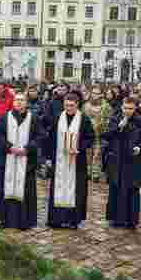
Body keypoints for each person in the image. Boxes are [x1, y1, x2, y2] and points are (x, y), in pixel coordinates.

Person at [0, 93, 44, 230]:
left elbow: (40, 136)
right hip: (8, 159)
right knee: (5, 188)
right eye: (16, 100)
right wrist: (9, 147)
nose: (19, 102)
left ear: (26, 103)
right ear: (13, 102)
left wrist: (27, 148)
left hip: (27, 161)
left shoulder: (34, 118)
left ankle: (24, 221)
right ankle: (5, 220)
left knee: (26, 189)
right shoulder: (5, 117)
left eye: (22, 100)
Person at [46, 93, 95, 229]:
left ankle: (73, 220)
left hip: (77, 161)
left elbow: (90, 137)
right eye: (66, 105)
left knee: (76, 190)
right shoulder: (57, 117)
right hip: (59, 159)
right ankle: (56, 219)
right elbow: (50, 137)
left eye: (71, 105)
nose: (69, 108)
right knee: (58, 187)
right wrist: (49, 157)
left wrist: (79, 148)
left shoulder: (83, 119)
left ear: (77, 105)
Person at [103, 98, 141, 229]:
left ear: (135, 108)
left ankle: (131, 220)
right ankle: (116, 219)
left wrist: (140, 148)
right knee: (116, 188)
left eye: (130, 108)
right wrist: (118, 126)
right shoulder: (115, 118)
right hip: (117, 160)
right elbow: (107, 135)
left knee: (132, 189)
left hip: (133, 161)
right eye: (125, 108)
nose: (127, 111)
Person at [83, 85, 111, 182]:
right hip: (87, 134)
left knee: (97, 154)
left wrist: (104, 128)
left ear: (101, 95)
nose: (95, 95)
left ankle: (95, 173)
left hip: (100, 134)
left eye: (97, 93)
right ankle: (87, 172)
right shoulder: (86, 106)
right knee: (88, 153)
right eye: (94, 93)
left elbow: (109, 120)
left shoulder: (106, 106)